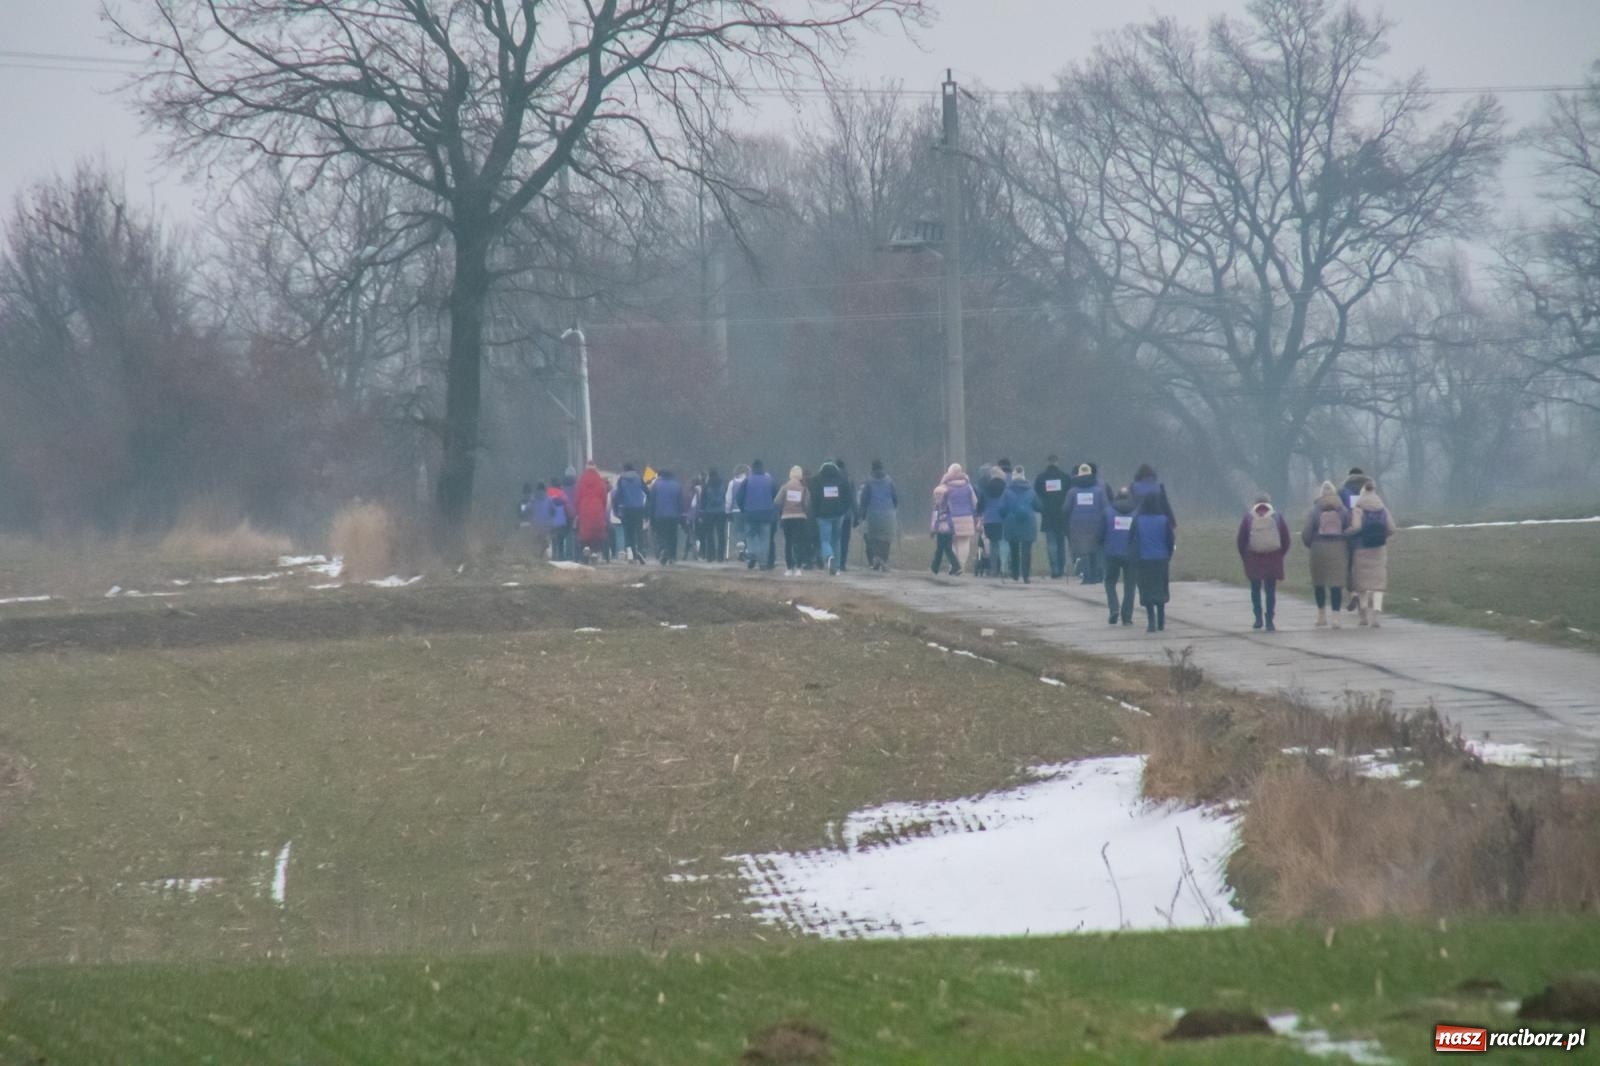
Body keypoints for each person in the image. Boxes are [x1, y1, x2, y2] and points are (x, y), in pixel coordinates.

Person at [1237, 493, 1291, 631]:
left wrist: (1245, 557)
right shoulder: (1277, 517)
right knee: (1270, 590)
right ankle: (1269, 620)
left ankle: (1258, 618)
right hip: (1273, 558)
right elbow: (1286, 539)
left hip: (1254, 558)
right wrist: (1280, 555)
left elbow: (1241, 540)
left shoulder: (1249, 517)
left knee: (1255, 589)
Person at [1347, 480, 1397, 627]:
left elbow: (1356, 527)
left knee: (1362, 584)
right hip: (1379, 549)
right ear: (1374, 491)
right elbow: (1392, 528)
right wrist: (1382, 535)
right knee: (1378, 585)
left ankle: (1363, 614)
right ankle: (1375, 616)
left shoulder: (1358, 508)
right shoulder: (1382, 508)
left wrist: (1348, 533)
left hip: (1361, 549)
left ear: (1362, 493)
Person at [1301, 481, 1351, 628]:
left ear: (1321, 494)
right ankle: (1336, 618)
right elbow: (1348, 528)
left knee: (1319, 583)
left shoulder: (1315, 510)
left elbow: (1307, 533)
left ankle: (1321, 616)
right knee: (1336, 584)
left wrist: (1311, 544)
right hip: (1338, 548)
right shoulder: (1342, 509)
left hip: (1319, 549)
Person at [1130, 489, 1175, 632]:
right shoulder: (1164, 520)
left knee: (1147, 590)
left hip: (1144, 559)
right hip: (1161, 559)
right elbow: (1170, 540)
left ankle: (1151, 622)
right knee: (1161, 589)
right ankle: (1161, 621)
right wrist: (1168, 556)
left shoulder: (1138, 520)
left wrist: (1135, 558)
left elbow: (1132, 540)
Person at [930, 463, 979, 576]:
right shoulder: (968, 486)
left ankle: (953, 566)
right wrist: (975, 515)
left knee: (951, 544)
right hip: (967, 517)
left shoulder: (945, 487)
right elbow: (975, 502)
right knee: (964, 543)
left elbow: (939, 503)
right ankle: (961, 566)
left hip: (951, 518)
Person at [1100, 486, 1138, 626]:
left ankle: (1114, 608)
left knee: (1110, 582)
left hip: (1111, 553)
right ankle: (1127, 617)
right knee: (1130, 585)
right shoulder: (1137, 513)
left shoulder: (1107, 512)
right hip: (1131, 554)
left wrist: (1102, 546)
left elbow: (1100, 534)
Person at [1066, 463, 1107, 585]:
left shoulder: (1072, 492)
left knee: (1083, 550)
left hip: (1077, 525)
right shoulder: (1099, 491)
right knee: (1094, 549)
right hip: (1096, 523)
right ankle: (1095, 575)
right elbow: (1106, 507)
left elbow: (1066, 509)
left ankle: (1087, 576)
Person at [1000, 467, 1040, 583]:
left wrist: (1005, 516)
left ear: (1013, 477)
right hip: (1028, 523)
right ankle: (1026, 576)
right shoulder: (1031, 491)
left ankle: (1015, 573)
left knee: (1014, 549)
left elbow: (1002, 509)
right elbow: (1039, 506)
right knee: (1026, 550)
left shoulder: (1007, 492)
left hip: (1011, 522)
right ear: (1024, 476)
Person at [857, 459, 899, 571]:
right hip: (888, 513)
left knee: (873, 537)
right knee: (886, 538)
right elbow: (895, 498)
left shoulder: (869, 482)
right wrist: (894, 508)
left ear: (872, 468)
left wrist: (862, 515)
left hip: (873, 513)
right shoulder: (889, 481)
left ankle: (876, 557)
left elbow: (864, 500)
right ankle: (883, 560)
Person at [811, 460, 851, 575]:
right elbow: (848, 497)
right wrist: (843, 510)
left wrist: (815, 513)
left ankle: (829, 556)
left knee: (825, 540)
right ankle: (836, 567)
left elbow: (814, 498)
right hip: (838, 515)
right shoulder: (842, 479)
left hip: (823, 516)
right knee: (836, 540)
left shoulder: (817, 480)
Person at [1035, 455, 1071, 579]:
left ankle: (1054, 569)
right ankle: (1061, 567)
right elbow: (1068, 495)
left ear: (1047, 462)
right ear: (1057, 462)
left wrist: (1042, 508)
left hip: (1048, 514)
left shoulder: (1041, 478)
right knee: (1061, 542)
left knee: (1051, 543)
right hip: (1061, 514)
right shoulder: (1065, 477)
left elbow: (1037, 496)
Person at [1338, 467, 1368, 614]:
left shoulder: (1342, 491)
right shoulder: (1369, 489)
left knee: (1348, 566)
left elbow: (1339, 511)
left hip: (1348, 533)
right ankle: (1364, 599)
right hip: (1366, 533)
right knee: (1364, 567)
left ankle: (1353, 593)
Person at [737, 461, 777, 571]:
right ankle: (763, 564)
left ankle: (753, 553)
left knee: (750, 536)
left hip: (750, 513)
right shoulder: (770, 480)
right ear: (762, 468)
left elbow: (739, 497)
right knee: (765, 539)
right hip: (766, 514)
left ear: (752, 469)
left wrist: (743, 509)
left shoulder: (747, 480)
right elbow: (776, 496)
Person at [778, 465, 812, 576]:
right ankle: (798, 568)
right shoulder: (804, 489)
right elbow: (807, 504)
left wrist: (784, 508)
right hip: (800, 518)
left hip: (786, 518)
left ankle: (789, 568)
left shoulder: (784, 487)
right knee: (799, 542)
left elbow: (777, 501)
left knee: (788, 543)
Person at [575, 462, 611, 563]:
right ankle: (595, 551)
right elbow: (604, 498)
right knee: (597, 532)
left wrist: (578, 511)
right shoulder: (600, 482)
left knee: (585, 531)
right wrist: (602, 509)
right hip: (597, 508)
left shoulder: (581, 481)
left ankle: (586, 547)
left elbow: (577, 498)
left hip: (584, 508)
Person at [613, 463, 649, 564]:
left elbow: (617, 495)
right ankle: (640, 550)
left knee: (628, 532)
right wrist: (646, 508)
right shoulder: (639, 478)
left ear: (624, 469)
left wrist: (616, 510)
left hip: (626, 509)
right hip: (639, 509)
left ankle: (630, 552)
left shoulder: (621, 479)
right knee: (638, 531)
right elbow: (647, 492)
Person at [649, 469, 686, 563]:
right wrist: (682, 515)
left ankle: (663, 549)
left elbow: (652, 502)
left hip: (660, 515)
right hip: (674, 516)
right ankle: (672, 556)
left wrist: (651, 516)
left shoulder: (656, 485)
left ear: (661, 475)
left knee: (661, 535)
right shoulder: (677, 485)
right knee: (673, 536)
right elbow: (680, 502)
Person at [979, 464, 1008, 579]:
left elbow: (980, 504)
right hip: (1002, 518)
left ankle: (993, 569)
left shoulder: (986, 488)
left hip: (989, 519)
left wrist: (979, 514)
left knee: (993, 544)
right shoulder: (1006, 488)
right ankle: (1004, 568)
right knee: (1003, 543)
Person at [696, 467, 727, 563]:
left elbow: (703, 501)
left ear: (709, 475)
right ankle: (720, 556)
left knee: (710, 534)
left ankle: (710, 556)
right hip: (721, 512)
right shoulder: (723, 484)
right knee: (721, 534)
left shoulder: (706, 486)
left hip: (709, 513)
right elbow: (726, 498)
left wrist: (701, 513)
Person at [834, 460, 856, 572]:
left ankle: (835, 562)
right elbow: (853, 499)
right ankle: (842, 563)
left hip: (835, 513)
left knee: (835, 538)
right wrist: (856, 514)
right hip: (847, 515)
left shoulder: (833, 478)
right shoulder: (849, 479)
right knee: (845, 539)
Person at [726, 464, 749, 561]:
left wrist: (727, 511)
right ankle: (747, 550)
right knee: (747, 530)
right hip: (747, 510)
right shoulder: (748, 482)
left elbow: (728, 499)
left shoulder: (732, 483)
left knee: (739, 531)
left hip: (735, 510)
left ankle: (741, 552)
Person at [544, 479, 571, 561]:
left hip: (550, 519)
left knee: (553, 537)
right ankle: (561, 555)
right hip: (560, 518)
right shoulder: (562, 494)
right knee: (560, 537)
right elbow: (567, 506)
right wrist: (569, 516)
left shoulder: (546, 493)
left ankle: (554, 554)